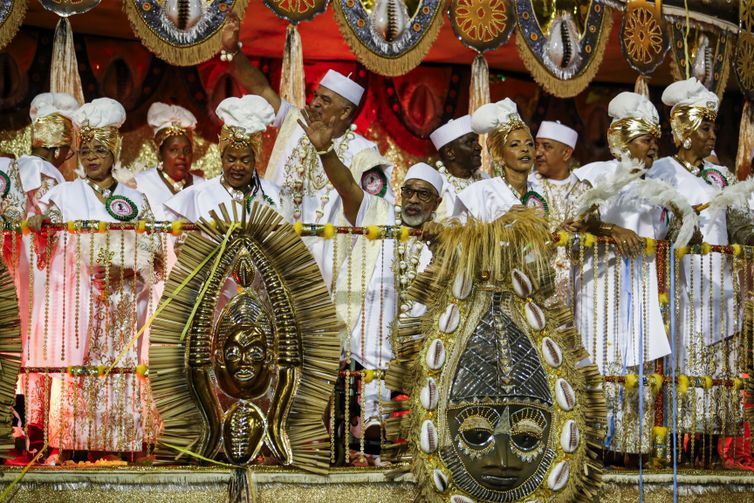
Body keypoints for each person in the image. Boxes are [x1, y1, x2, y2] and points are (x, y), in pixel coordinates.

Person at [220, 13, 393, 289]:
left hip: (326, 265)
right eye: (315, 96)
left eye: (325, 100)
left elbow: (373, 212)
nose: (314, 104)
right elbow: (260, 87)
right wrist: (232, 51)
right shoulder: (295, 121)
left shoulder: (365, 154)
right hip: (274, 249)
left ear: (346, 111)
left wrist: (326, 150)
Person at [32, 97, 161, 460]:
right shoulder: (62, 194)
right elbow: (44, 242)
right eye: (85, 150)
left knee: (119, 369)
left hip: (121, 302)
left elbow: (155, 253)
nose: (91, 157)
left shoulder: (135, 199)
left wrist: (126, 267)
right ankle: (72, 446)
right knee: (78, 368)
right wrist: (42, 225)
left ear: (115, 152)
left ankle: (117, 446)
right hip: (77, 300)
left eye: (100, 150)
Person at [647, 77, 754, 468]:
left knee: (719, 362)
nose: (713, 135)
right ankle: (675, 442)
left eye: (714, 127)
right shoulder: (661, 171)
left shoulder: (721, 176)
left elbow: (740, 223)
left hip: (721, 285)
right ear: (682, 131)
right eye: (705, 127)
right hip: (682, 283)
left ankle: (710, 444)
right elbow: (655, 226)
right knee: (684, 360)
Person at [574, 92, 676, 457]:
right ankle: (591, 447)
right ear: (623, 138)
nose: (653, 149)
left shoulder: (659, 189)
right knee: (601, 361)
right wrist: (611, 231)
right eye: (647, 139)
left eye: (655, 141)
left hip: (643, 284)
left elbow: (665, 236)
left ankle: (631, 446)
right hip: (600, 285)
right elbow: (575, 221)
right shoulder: (593, 175)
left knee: (638, 365)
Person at [6, 92, 78, 459]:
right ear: (59, 149)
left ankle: (22, 420)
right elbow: (51, 225)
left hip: (22, 264)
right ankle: (38, 425)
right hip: (46, 271)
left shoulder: (19, 168)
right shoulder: (47, 175)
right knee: (44, 339)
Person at [165, 95, 278, 223]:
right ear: (222, 157)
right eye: (231, 159)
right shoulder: (197, 197)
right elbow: (184, 242)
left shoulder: (274, 195)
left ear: (255, 160)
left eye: (245, 160)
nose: (238, 166)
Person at [453, 98, 540, 222]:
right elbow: (459, 238)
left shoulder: (540, 190)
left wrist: (562, 233)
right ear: (499, 156)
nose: (525, 149)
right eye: (515, 144)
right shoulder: (481, 192)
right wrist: (499, 225)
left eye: (530, 144)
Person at [134, 102, 203, 220]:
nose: (182, 156)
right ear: (160, 154)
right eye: (174, 150)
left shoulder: (201, 186)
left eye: (187, 150)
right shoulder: (140, 185)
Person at [428, 115, 485, 220]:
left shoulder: (486, 179)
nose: (479, 147)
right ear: (450, 152)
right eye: (470, 142)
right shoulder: (436, 187)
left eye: (476, 141)